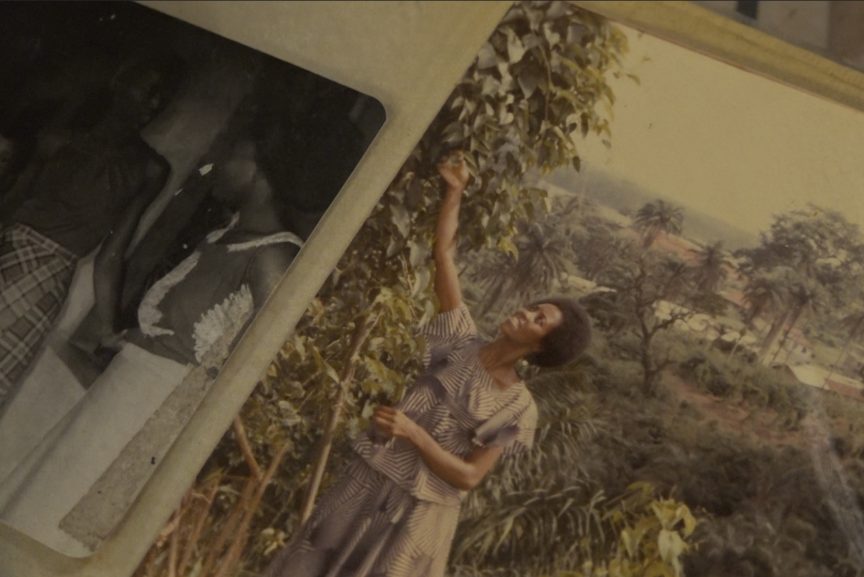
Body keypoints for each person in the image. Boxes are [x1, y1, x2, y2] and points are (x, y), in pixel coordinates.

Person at [262, 152, 593, 577]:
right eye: (534, 307)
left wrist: (414, 433)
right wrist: (454, 191)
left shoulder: (516, 407)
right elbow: (444, 256)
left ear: (544, 346)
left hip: (417, 515)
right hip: (366, 483)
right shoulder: (458, 340)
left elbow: (470, 477)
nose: (527, 313)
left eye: (539, 319)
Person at [0, 138, 304, 555]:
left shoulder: (275, 256)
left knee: (66, 524)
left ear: (258, 171)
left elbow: (262, 368)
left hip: (150, 414)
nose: (217, 161)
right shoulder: (224, 235)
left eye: (232, 154)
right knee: (38, 503)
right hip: (118, 395)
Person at [0, 54, 183, 409]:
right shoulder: (56, 140)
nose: (155, 102)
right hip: (7, 253)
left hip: (46, 285)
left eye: (165, 96)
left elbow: (112, 255)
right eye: (149, 89)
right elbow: (9, 208)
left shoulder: (149, 170)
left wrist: (106, 325)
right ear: (120, 83)